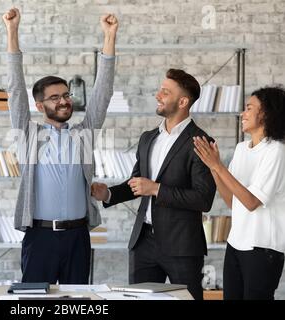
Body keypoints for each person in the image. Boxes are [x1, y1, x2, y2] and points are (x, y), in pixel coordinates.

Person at [2, 7, 118, 284]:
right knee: (34, 302)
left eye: (66, 95)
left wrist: (109, 37)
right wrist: (12, 32)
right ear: (40, 105)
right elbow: (15, 89)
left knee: (77, 302)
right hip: (40, 237)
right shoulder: (28, 134)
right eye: (55, 98)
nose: (64, 101)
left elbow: (103, 92)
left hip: (78, 237)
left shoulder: (83, 133)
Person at [91, 69, 216, 300]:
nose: (158, 95)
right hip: (143, 243)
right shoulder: (148, 138)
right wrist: (107, 193)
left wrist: (156, 189)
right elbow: (137, 183)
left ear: (183, 101)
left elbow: (203, 198)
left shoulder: (200, 141)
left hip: (182, 246)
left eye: (165, 92)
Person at [193, 86, 285, 300]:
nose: (242, 114)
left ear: (266, 113)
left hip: (263, 249)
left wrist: (219, 166)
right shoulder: (242, 149)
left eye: (249, 108)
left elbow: (252, 202)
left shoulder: (276, 152)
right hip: (235, 243)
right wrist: (214, 168)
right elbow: (234, 203)